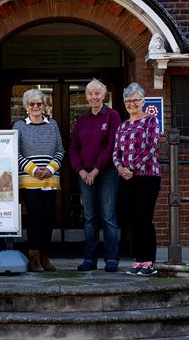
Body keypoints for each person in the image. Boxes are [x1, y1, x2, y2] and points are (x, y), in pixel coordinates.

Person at [69, 79, 121, 272]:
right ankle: (90, 259)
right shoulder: (82, 120)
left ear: (104, 94)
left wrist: (96, 169)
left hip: (106, 172)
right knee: (90, 217)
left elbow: (112, 146)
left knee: (108, 216)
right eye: (90, 94)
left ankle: (111, 259)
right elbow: (73, 148)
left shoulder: (112, 116)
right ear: (86, 96)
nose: (94, 97)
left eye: (97, 93)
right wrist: (82, 171)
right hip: (85, 175)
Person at [13, 89, 65, 272]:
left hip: (50, 180)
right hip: (29, 179)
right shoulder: (19, 126)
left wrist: (50, 168)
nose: (36, 107)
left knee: (48, 219)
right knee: (36, 217)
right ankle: (33, 258)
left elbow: (60, 150)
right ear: (26, 106)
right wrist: (33, 169)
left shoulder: (53, 125)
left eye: (39, 103)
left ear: (44, 105)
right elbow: (15, 152)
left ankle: (45, 257)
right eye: (31, 104)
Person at [113, 82, 161, 276]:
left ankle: (149, 262)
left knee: (144, 219)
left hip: (147, 176)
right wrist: (120, 168)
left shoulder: (151, 121)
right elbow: (116, 151)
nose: (131, 103)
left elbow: (150, 147)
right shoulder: (122, 126)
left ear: (143, 101)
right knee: (132, 220)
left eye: (135, 100)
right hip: (126, 178)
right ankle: (138, 261)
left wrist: (131, 167)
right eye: (128, 100)